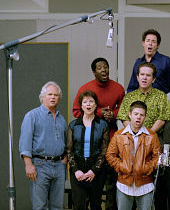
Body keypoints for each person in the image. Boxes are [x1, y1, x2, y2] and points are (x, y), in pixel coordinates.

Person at [72, 57, 125, 209]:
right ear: (94, 71)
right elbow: (76, 111)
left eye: (106, 67)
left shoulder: (118, 88)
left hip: (113, 141)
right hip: (91, 144)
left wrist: (113, 114)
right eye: (100, 68)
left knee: (112, 185)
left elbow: (123, 109)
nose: (104, 70)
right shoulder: (85, 89)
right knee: (90, 186)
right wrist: (100, 113)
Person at [19, 81, 68, 210]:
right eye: (50, 94)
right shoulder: (32, 116)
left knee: (57, 206)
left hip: (59, 166)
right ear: (43, 97)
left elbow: (66, 141)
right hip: (40, 166)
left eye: (56, 95)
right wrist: (28, 165)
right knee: (40, 206)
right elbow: (25, 142)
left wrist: (64, 160)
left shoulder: (61, 119)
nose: (53, 97)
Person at [106, 101, 161, 210]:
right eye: (136, 114)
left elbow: (157, 157)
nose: (138, 117)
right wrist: (122, 166)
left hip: (145, 185)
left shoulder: (152, 136)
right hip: (124, 185)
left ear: (145, 117)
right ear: (130, 114)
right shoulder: (119, 135)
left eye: (141, 115)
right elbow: (110, 155)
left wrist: (146, 168)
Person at [67, 90, 109, 210]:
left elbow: (104, 150)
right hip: (78, 169)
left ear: (96, 105)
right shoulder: (73, 125)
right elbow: (69, 150)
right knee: (79, 205)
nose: (88, 104)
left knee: (96, 204)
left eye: (91, 101)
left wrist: (94, 170)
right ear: (81, 106)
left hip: (97, 170)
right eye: (85, 102)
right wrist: (76, 170)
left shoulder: (103, 125)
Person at [118, 62, 170, 134]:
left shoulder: (161, 96)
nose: (144, 78)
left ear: (153, 79)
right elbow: (124, 117)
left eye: (148, 75)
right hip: (131, 137)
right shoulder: (129, 96)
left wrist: (148, 135)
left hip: (154, 137)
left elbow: (163, 118)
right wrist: (135, 133)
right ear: (137, 77)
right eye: (142, 74)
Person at [127, 29, 170, 94]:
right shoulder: (138, 62)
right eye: (148, 41)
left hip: (162, 101)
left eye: (153, 41)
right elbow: (132, 86)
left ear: (157, 45)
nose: (150, 43)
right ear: (143, 43)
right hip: (141, 102)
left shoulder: (167, 61)